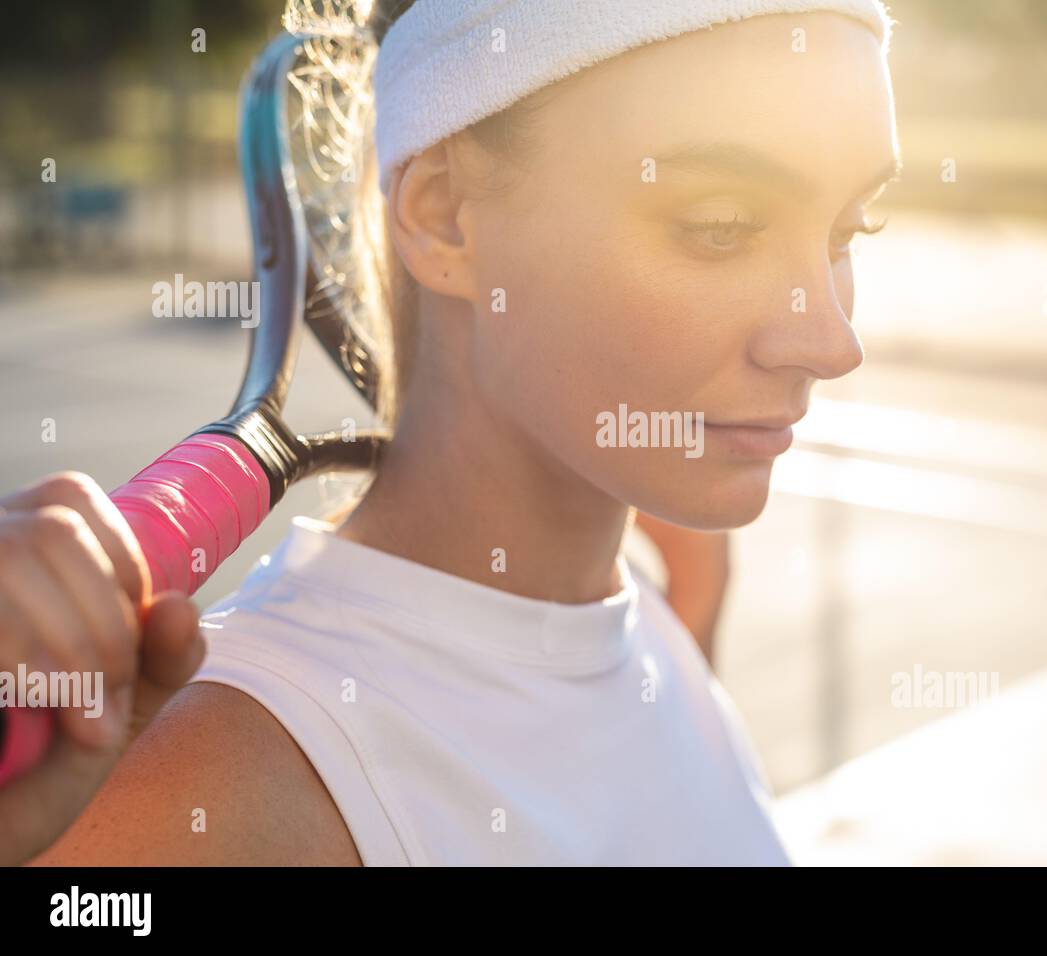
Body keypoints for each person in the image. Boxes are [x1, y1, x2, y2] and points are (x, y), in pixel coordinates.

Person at [1, 0, 897, 865]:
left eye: (851, 229)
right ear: (445, 220)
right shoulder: (227, 786)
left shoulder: (659, 629)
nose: (831, 341)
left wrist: (679, 650)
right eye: (721, 227)